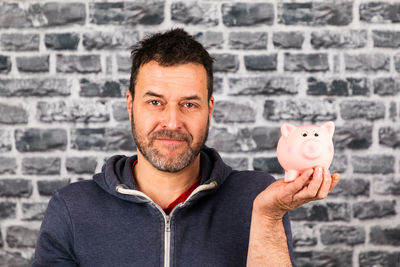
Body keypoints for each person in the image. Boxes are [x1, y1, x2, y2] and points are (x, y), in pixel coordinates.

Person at [32, 28, 340, 267]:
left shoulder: (258, 197)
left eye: (189, 104)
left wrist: (268, 217)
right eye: (155, 102)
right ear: (130, 105)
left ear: (209, 108)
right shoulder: (72, 208)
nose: (172, 121)